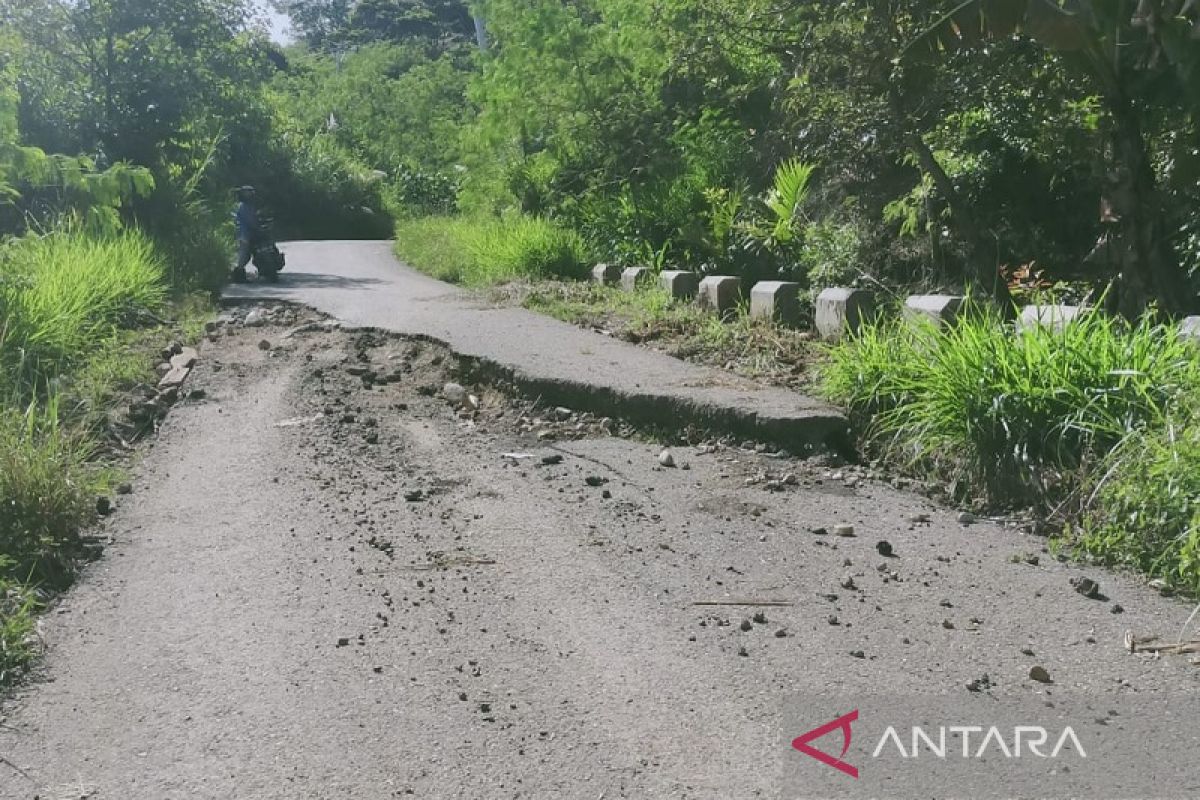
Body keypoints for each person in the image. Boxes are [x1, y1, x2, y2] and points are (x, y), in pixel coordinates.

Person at [231, 185, 259, 283]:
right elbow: (249, 220)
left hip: (247, 232)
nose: (250, 195)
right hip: (244, 233)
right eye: (247, 193)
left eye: (250, 193)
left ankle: (239, 275)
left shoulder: (249, 206)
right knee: (244, 255)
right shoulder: (243, 206)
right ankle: (238, 276)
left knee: (246, 255)